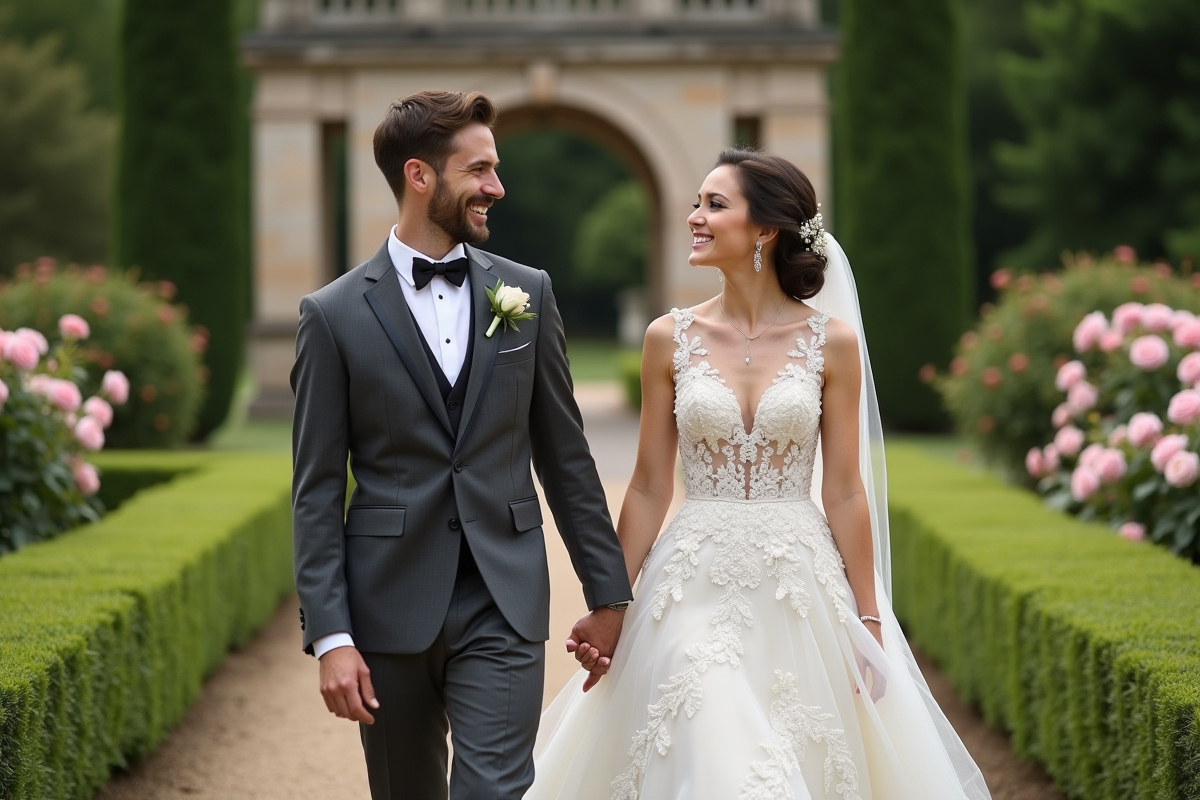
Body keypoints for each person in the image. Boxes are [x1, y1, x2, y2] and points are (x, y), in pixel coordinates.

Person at [526, 151, 992, 800]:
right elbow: (649, 486)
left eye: (715, 205)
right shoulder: (669, 337)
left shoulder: (831, 342)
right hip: (691, 579)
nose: (695, 216)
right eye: (697, 202)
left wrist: (869, 617)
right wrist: (611, 602)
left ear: (767, 229)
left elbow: (845, 488)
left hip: (798, 586)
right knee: (708, 725)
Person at [290, 90, 633, 800]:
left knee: (493, 792)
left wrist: (608, 593)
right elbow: (316, 491)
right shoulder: (331, 316)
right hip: (385, 607)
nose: (497, 188)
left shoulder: (527, 293)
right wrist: (332, 637)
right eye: (478, 170)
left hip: (502, 598)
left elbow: (566, 459)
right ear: (420, 176)